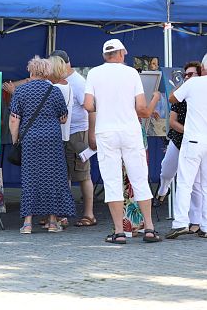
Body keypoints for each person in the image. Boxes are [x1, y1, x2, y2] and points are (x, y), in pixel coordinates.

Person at [84, 39, 161, 244]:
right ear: (120, 54)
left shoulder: (93, 73)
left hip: (106, 131)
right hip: (130, 131)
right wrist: (155, 98)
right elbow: (143, 110)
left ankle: (119, 231)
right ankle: (150, 228)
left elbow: (88, 105)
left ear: (104, 56)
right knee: (139, 179)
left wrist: (105, 106)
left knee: (112, 181)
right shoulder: (131, 73)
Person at [9, 56, 76, 234]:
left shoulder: (21, 91)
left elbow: (14, 119)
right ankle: (53, 222)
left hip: (30, 140)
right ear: (46, 72)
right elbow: (63, 117)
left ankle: (28, 223)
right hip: (52, 140)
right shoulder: (54, 91)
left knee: (31, 178)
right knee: (52, 177)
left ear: (31, 71)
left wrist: (15, 140)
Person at [50, 50, 97, 227]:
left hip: (78, 133)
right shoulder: (60, 81)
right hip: (62, 133)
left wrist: (91, 134)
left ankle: (89, 214)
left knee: (83, 174)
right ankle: (63, 214)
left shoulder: (78, 83)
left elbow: (92, 109)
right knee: (64, 175)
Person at [155, 61, 203, 234]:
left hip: (194, 140)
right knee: (168, 170)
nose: (188, 77)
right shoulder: (184, 93)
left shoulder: (198, 90)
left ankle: (192, 222)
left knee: (193, 183)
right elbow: (173, 121)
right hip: (181, 138)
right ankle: (163, 189)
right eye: (186, 75)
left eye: (192, 74)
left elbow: (172, 98)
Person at [166, 53, 207, 239]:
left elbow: (172, 98)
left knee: (184, 183)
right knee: (205, 185)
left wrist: (184, 82)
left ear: (203, 68)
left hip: (193, 140)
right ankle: (205, 226)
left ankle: (181, 222)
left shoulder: (193, 83)